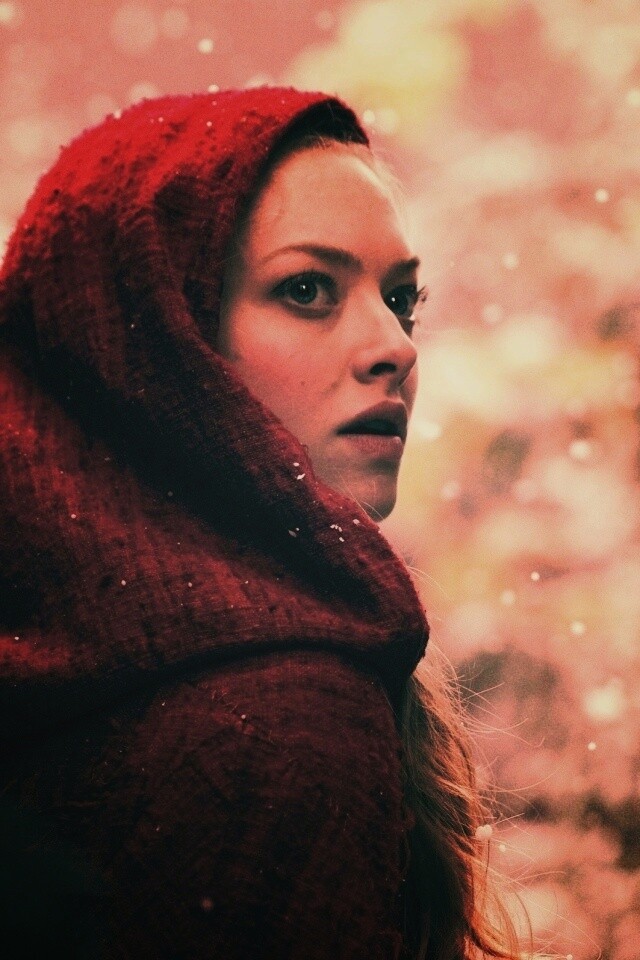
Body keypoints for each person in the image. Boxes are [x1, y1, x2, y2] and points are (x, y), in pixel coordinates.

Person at [0, 88, 525, 959]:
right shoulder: (278, 730)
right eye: (307, 289)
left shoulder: (64, 676)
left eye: (402, 299)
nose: (396, 346)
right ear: (151, 344)